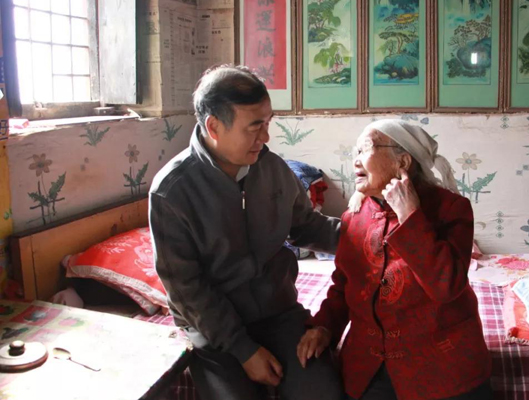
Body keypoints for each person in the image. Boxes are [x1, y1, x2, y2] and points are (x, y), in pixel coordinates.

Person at [149, 65, 343, 400]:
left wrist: (370, 234)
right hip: (213, 328)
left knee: (322, 393)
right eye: (255, 127)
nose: (265, 137)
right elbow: (186, 288)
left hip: (278, 313)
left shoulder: (273, 169)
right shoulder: (172, 192)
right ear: (214, 127)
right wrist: (243, 350)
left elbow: (306, 226)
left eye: (268, 123)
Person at [297, 119, 493, 400]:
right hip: (369, 364)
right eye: (355, 152)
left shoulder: (450, 209)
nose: (355, 161)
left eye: (366, 149)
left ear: (402, 162)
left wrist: (410, 215)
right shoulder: (354, 217)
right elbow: (344, 286)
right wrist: (324, 326)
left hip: (442, 365)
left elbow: (446, 286)